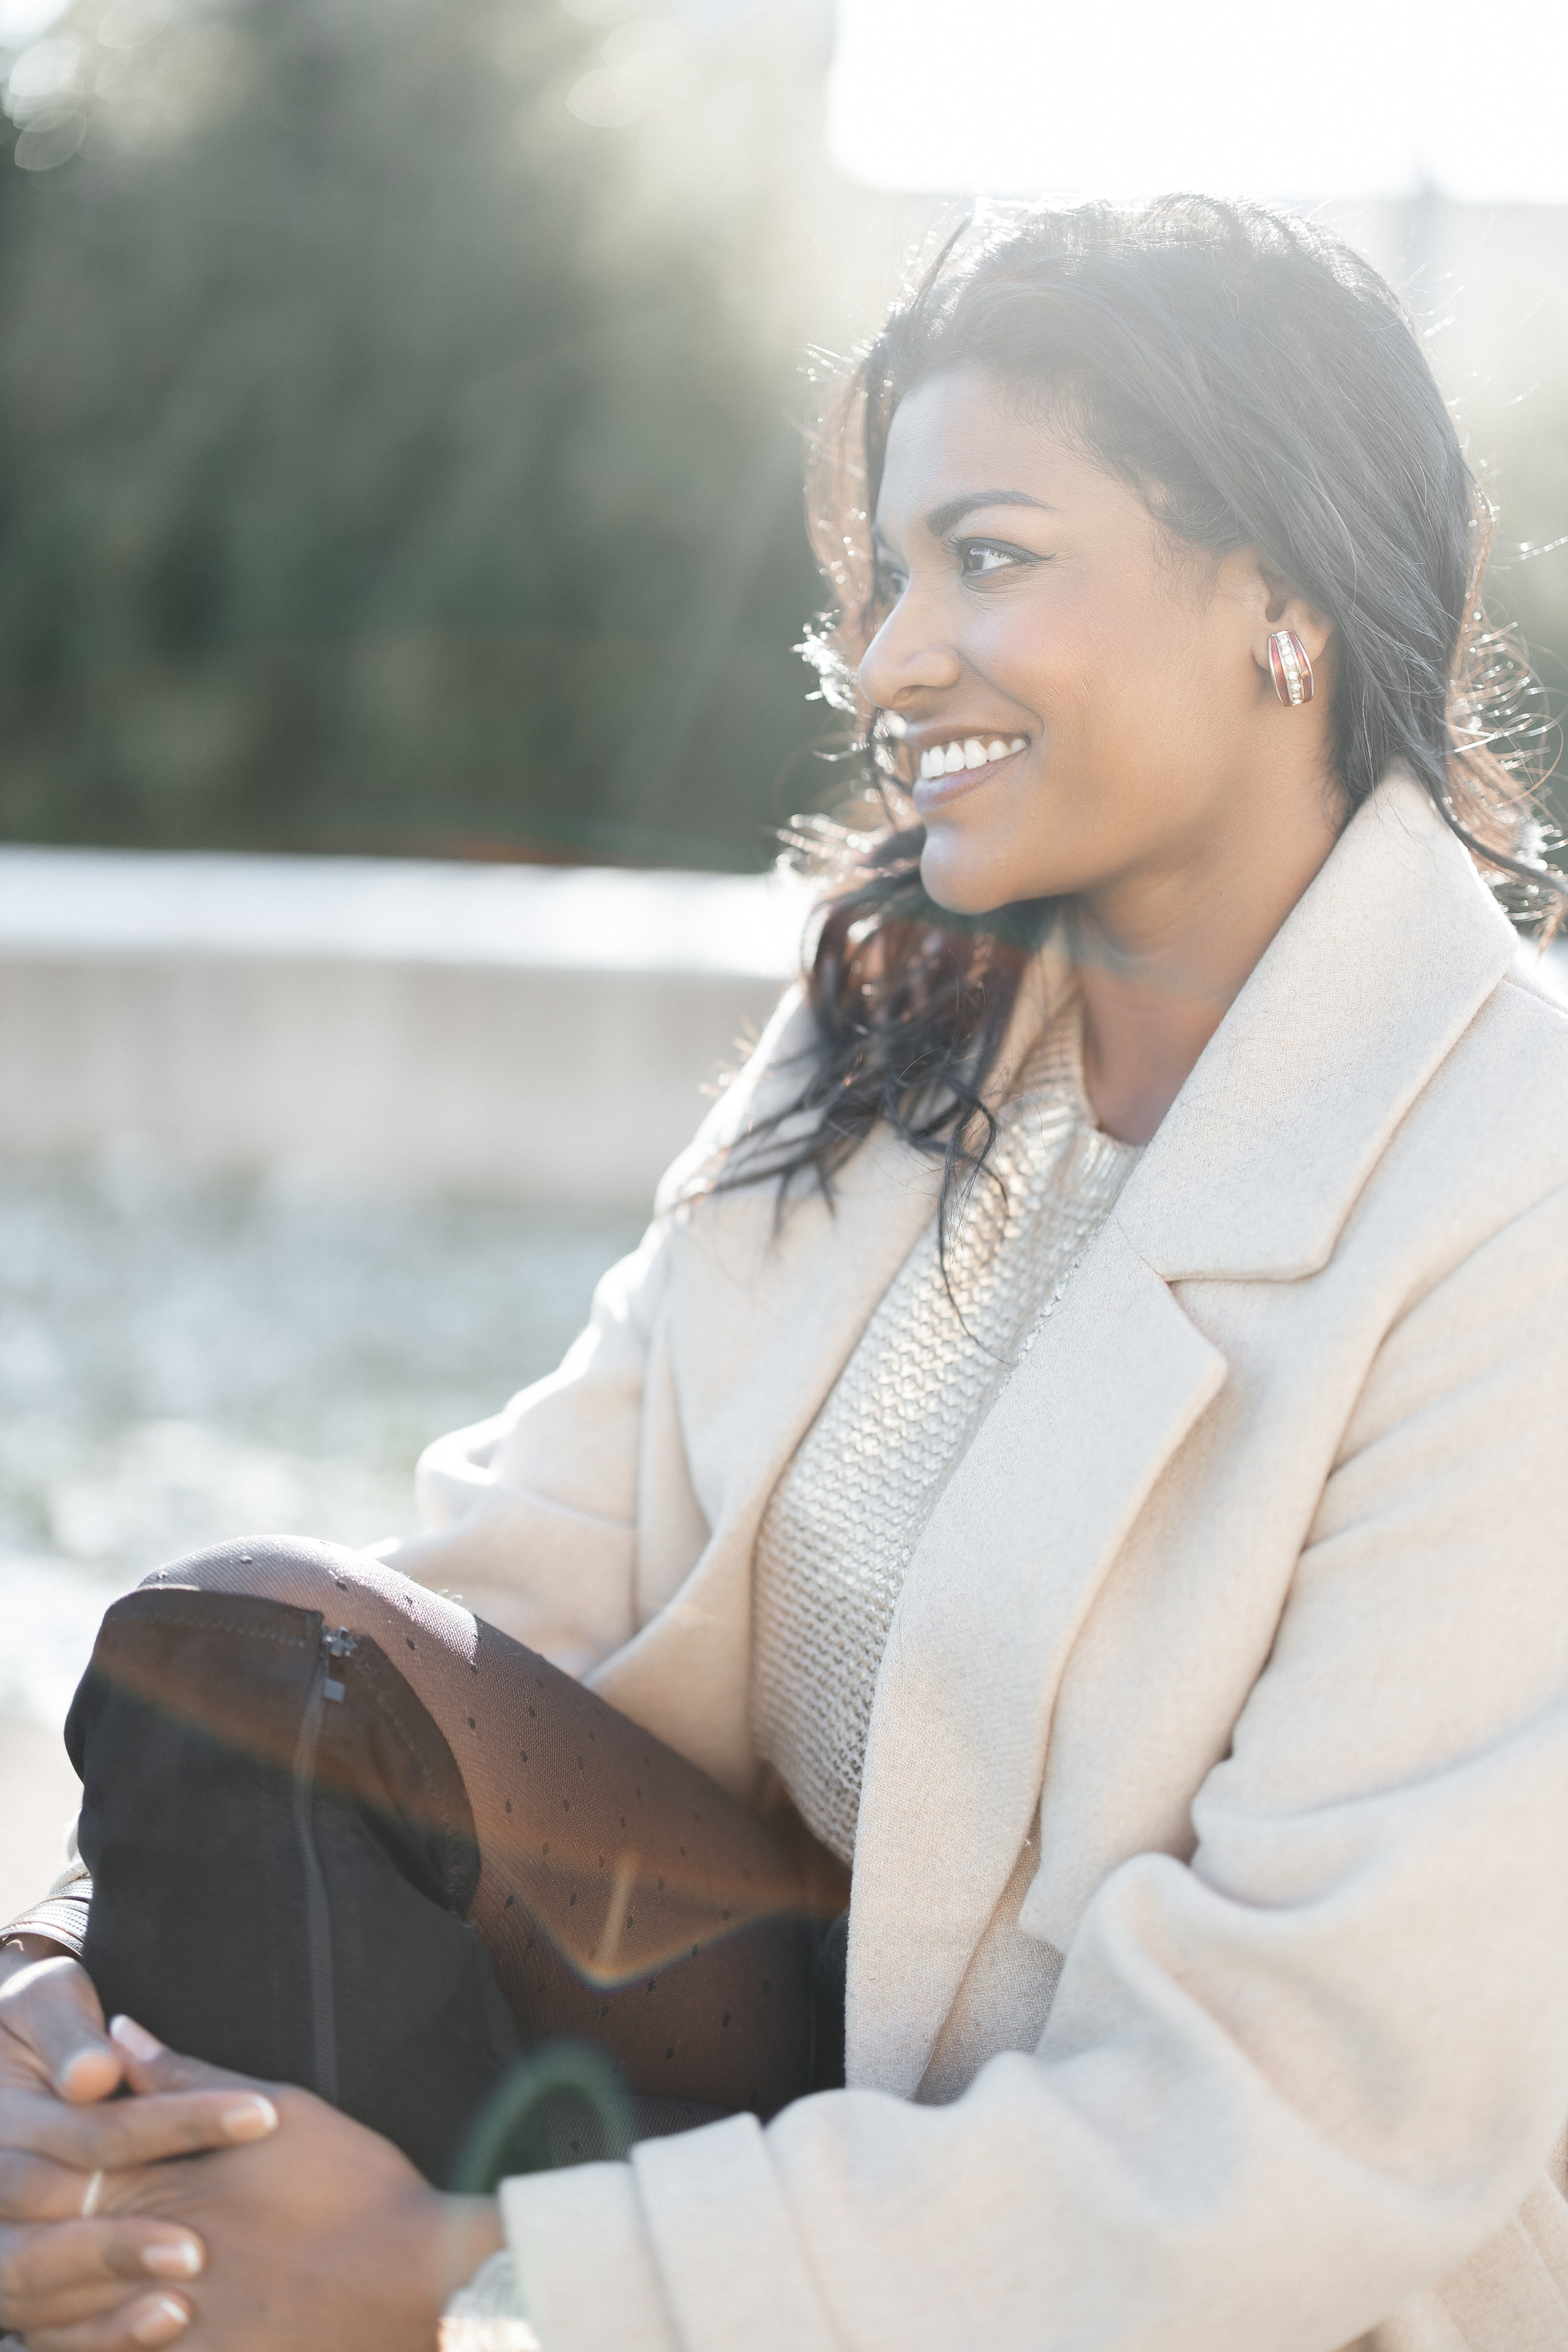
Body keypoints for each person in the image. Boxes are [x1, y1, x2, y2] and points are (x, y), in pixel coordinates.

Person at [3, 194, 1568, 2352]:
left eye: (991, 558)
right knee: (249, 1659)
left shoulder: (1511, 1183)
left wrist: (475, 2277)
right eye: (887, 573)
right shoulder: (895, 1029)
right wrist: (58, 2001)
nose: (895, 656)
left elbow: (1309, 2124)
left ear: (1277, 594)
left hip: (1166, 2270)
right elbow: (503, 1586)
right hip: (783, 2098)